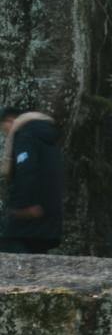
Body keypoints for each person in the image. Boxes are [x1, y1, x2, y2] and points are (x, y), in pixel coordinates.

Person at [1, 107, 63, 253]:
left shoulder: (25, 135)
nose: (5, 134)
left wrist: (25, 205)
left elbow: (27, 169)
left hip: (28, 216)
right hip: (49, 216)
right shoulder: (49, 139)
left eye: (3, 129)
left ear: (10, 121)